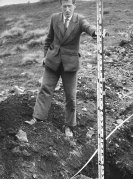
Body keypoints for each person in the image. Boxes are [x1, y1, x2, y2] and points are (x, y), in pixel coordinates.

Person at [25, 0, 96, 137]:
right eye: (65, 6)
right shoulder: (54, 18)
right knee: (45, 89)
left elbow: (88, 27)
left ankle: (69, 126)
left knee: (70, 96)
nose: (67, 9)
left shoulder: (79, 20)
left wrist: (95, 33)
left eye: (70, 6)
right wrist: (45, 56)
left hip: (70, 64)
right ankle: (38, 117)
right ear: (61, 6)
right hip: (53, 60)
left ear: (74, 6)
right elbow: (49, 38)